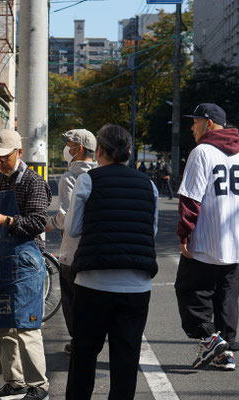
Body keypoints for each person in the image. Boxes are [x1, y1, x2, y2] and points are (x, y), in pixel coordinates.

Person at [64, 124, 158, 400]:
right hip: (136, 287)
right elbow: (149, 232)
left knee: (84, 355)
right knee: (126, 360)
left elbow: (73, 228)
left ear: (100, 151)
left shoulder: (89, 180)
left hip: (94, 284)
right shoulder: (149, 185)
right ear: (129, 152)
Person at [0, 129, 51, 400]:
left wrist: (8, 221)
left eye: (4, 157)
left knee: (27, 326)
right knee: (1, 324)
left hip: (26, 261)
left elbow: (39, 222)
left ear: (19, 153)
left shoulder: (33, 182)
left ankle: (39, 386)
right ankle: (14, 382)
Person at [175, 103, 239, 371]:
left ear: (209, 124)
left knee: (191, 291)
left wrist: (184, 233)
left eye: (195, 122)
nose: (192, 127)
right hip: (233, 241)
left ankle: (210, 339)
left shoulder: (202, 152)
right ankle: (226, 351)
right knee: (226, 297)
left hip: (206, 240)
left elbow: (191, 198)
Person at [45, 128, 98, 356]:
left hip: (73, 248)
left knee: (72, 300)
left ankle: (79, 342)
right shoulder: (101, 174)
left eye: (69, 144)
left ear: (78, 149)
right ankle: (93, 339)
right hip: (97, 247)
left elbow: (66, 217)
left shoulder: (70, 177)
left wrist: (48, 223)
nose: (66, 148)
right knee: (92, 299)